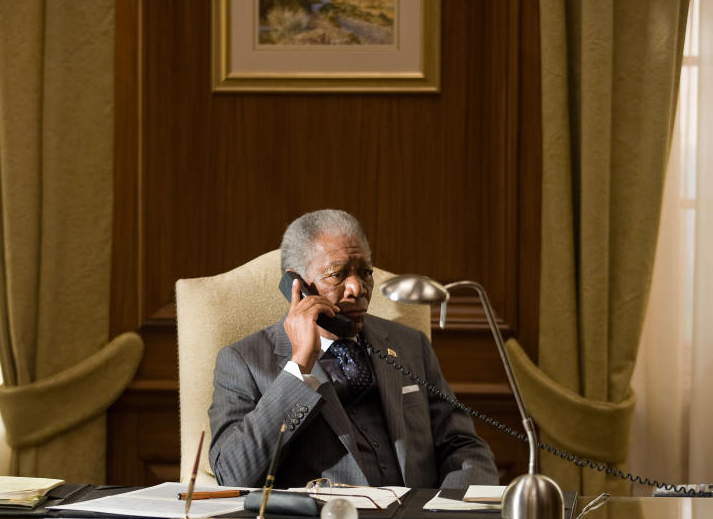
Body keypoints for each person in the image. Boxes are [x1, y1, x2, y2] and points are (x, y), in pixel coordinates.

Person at [208, 209, 498, 488]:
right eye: (337, 274)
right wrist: (299, 367)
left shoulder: (410, 345)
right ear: (297, 285)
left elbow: (464, 447)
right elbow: (233, 474)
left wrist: (451, 513)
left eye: (365, 272)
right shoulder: (243, 362)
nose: (357, 288)